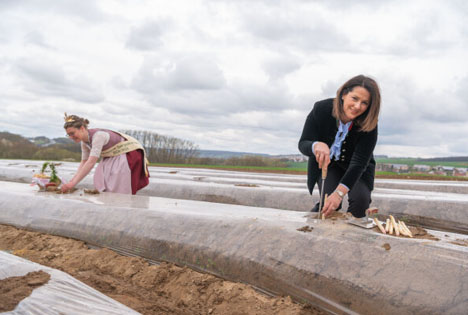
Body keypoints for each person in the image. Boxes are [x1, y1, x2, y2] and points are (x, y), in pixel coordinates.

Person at [298, 75, 381, 218]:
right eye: (354, 98)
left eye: (364, 103)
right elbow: (303, 142)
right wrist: (315, 145)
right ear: (343, 94)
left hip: (357, 168)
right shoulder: (321, 109)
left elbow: (359, 163)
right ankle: (311, 231)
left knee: (360, 202)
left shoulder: (370, 123)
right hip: (329, 166)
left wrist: (339, 193)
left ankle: (350, 238)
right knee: (329, 204)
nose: (357, 106)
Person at [61, 113, 149, 194]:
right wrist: (72, 181)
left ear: (82, 128)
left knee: (115, 181)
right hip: (111, 156)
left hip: (127, 153)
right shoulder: (84, 142)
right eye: (68, 135)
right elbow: (84, 162)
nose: (71, 137)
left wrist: (72, 183)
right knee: (100, 177)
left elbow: (91, 162)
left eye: (72, 133)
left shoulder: (98, 136)